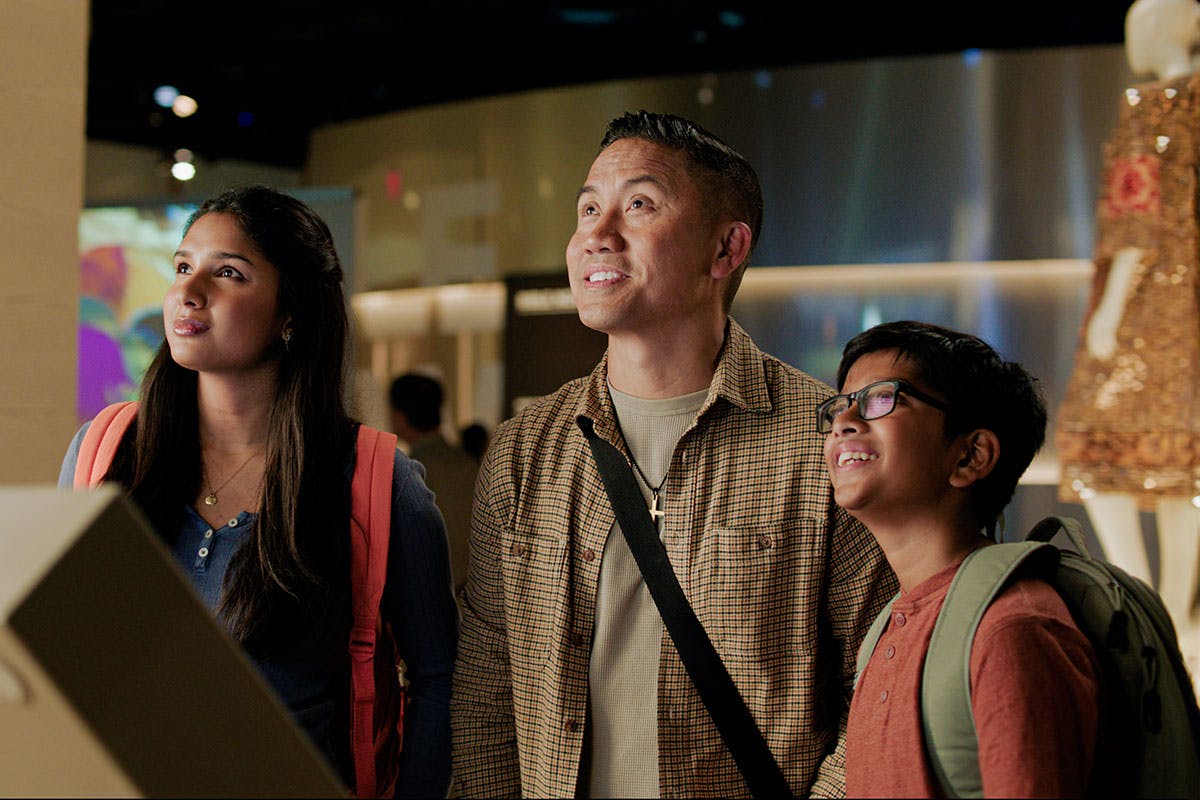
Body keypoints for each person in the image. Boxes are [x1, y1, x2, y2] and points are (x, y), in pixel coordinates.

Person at [450, 110, 897, 798]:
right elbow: (487, 694)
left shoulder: (824, 444)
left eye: (638, 206)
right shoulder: (525, 450)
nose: (597, 235)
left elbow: (879, 689)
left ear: (725, 249)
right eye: (588, 209)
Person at [57, 185, 458, 798]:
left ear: (290, 312)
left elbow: (437, 678)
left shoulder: (375, 481)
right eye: (183, 267)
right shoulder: (105, 450)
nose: (189, 292)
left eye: (228, 273)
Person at [826, 320, 1100, 797]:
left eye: (883, 398)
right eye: (840, 405)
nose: (843, 421)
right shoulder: (891, 622)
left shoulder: (1011, 629)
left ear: (971, 456)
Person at [1055, 0, 1200, 685]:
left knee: (1092, 440)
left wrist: (1113, 307)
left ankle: (1141, 605)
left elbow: (1135, 216)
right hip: (1189, 309)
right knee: (1181, 465)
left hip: (1146, 308)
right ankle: (1174, 610)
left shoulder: (1153, 105)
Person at [389, 371, 479, 597]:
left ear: (399, 415)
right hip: (477, 599)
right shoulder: (470, 464)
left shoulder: (406, 473)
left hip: (431, 599)